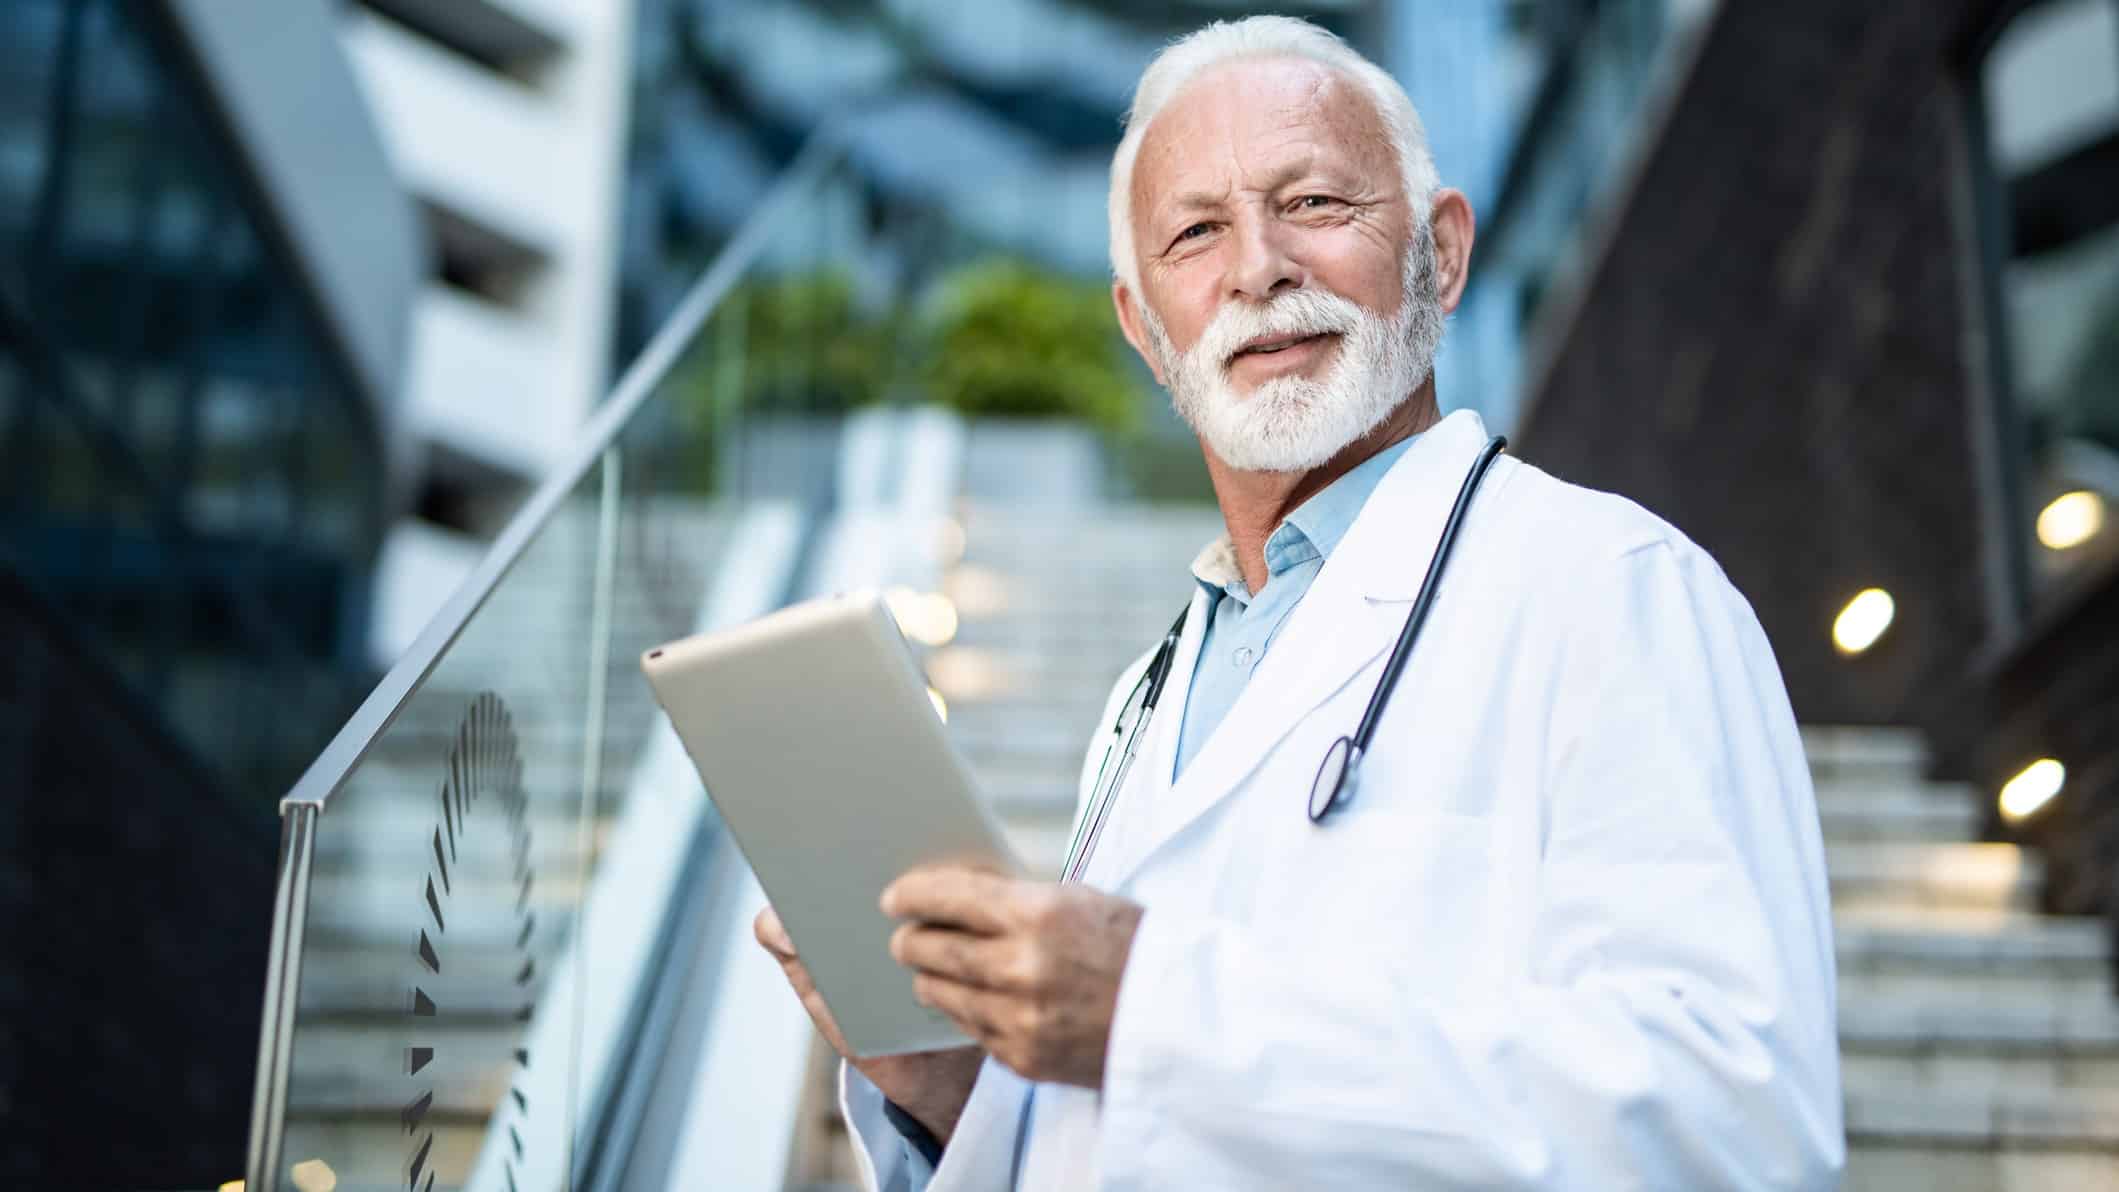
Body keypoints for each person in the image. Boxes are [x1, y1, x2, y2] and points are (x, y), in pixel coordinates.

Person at [755, 15, 1843, 1189]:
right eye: (1194, 232)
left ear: (1442, 250)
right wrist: (953, 1090)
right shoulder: (1146, 696)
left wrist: (1153, 1004)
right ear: (1141, 326)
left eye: (1317, 204)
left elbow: (1733, 1123)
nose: (1257, 266)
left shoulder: (1614, 590)